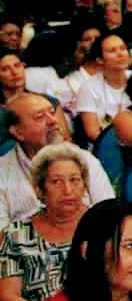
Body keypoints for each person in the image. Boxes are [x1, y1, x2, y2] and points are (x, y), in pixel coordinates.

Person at [0, 144, 89, 301]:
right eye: (56, 182)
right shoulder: (16, 235)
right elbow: (6, 298)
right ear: (39, 189)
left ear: (84, 185)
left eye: (74, 180)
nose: (68, 190)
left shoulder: (104, 226)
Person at [0, 93, 114, 224]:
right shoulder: (3, 173)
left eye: (52, 113)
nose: (53, 121)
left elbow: (108, 216)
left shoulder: (85, 159)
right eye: (40, 117)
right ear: (18, 132)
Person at [76, 33, 132, 143]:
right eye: (112, 51)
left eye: (123, 48)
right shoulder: (88, 88)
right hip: (106, 147)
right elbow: (93, 133)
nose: (120, 54)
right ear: (100, 60)